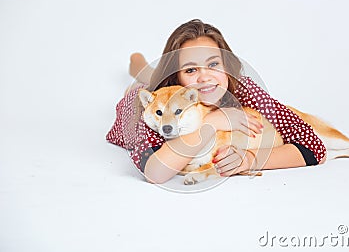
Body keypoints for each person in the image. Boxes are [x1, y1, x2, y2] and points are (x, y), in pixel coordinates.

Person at [106, 19, 326, 184]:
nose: (205, 77)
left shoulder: (244, 90)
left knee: (149, 73)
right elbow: (155, 172)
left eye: (213, 65)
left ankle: (139, 65)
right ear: (177, 78)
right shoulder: (157, 108)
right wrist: (212, 122)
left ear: (227, 67)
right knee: (141, 82)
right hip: (142, 95)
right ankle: (138, 66)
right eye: (191, 69)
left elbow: (313, 147)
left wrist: (250, 159)